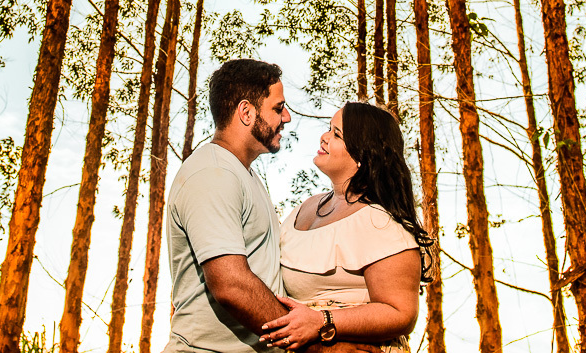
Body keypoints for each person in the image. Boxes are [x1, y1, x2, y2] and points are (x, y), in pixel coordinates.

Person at [163, 60, 383, 353]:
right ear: (246, 112)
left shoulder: (242, 175)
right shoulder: (212, 173)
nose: (287, 117)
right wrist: (319, 349)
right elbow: (231, 285)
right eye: (278, 108)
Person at [258, 102, 433, 352]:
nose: (324, 137)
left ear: (363, 155)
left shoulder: (380, 223)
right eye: (329, 129)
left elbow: (401, 313)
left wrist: (323, 321)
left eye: (336, 134)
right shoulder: (304, 208)